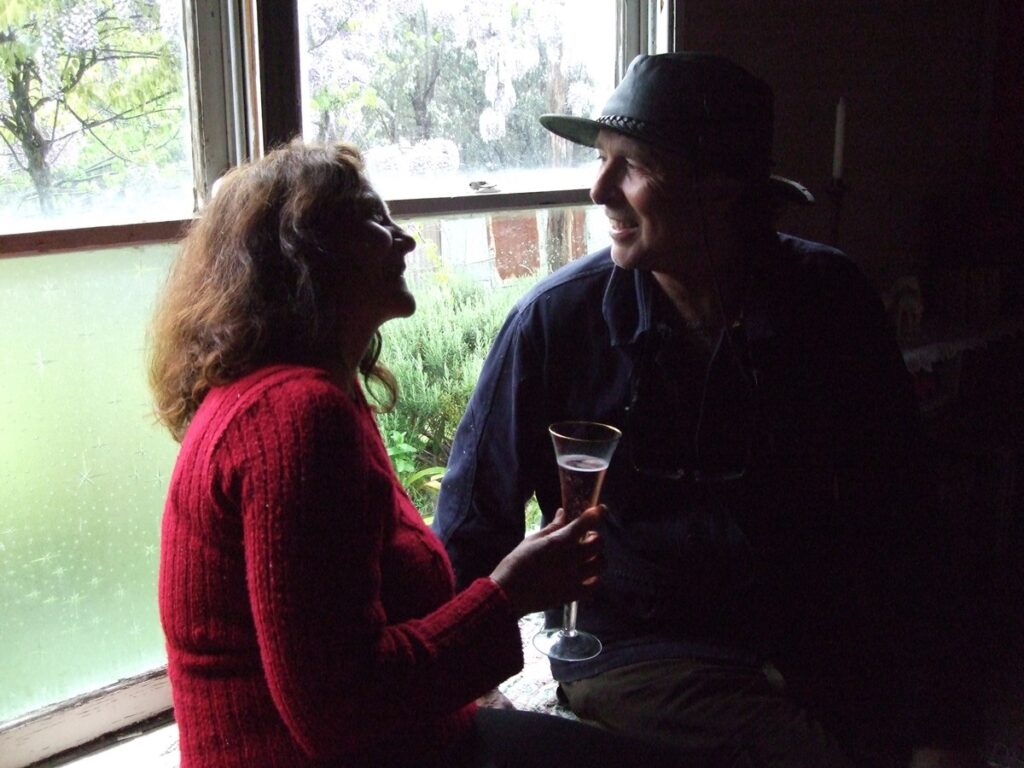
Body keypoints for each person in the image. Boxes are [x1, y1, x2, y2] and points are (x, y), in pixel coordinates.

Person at [434, 53, 982, 767]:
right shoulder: (554, 323)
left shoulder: (831, 303)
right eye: (601, 160)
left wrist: (936, 724)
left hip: (806, 630)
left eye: (630, 165)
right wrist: (455, 684)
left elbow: (905, 524)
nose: (598, 188)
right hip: (633, 646)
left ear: (719, 191)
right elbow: (473, 526)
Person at [148, 140, 697, 768]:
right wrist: (508, 594)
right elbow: (339, 712)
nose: (404, 240)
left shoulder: (315, 389)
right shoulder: (295, 418)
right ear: (310, 255)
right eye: (374, 221)